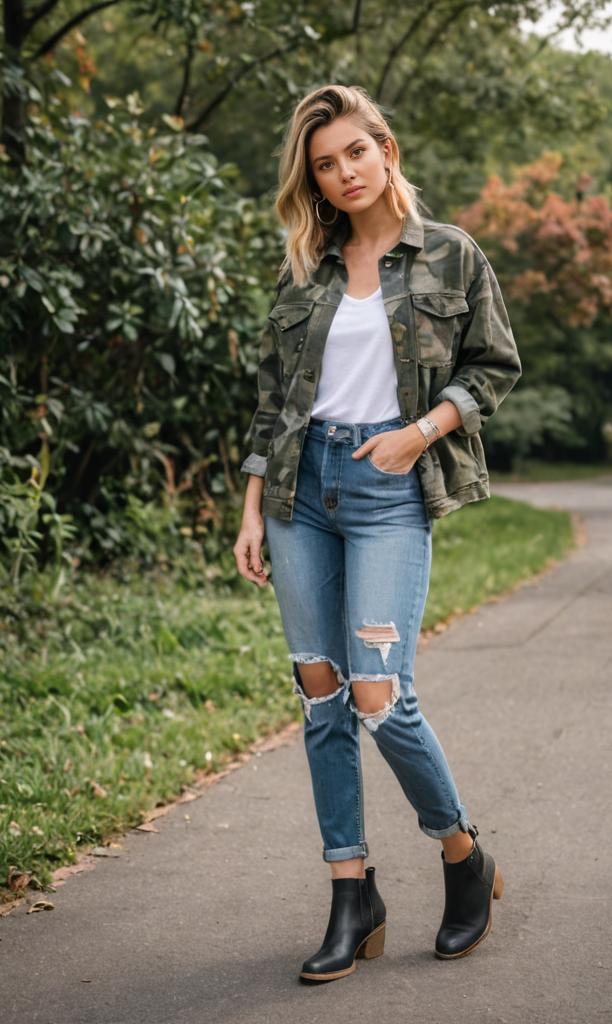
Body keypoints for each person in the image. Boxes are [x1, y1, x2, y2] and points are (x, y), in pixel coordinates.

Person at [233, 83, 522, 983]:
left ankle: (461, 852)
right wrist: (249, 507)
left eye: (354, 152)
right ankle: (351, 894)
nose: (343, 172)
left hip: (389, 485)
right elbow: (273, 400)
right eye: (324, 164)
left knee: (376, 693)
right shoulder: (305, 264)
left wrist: (423, 429)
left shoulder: (451, 254)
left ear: (386, 150)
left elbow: (495, 366)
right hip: (299, 492)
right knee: (319, 695)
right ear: (313, 180)